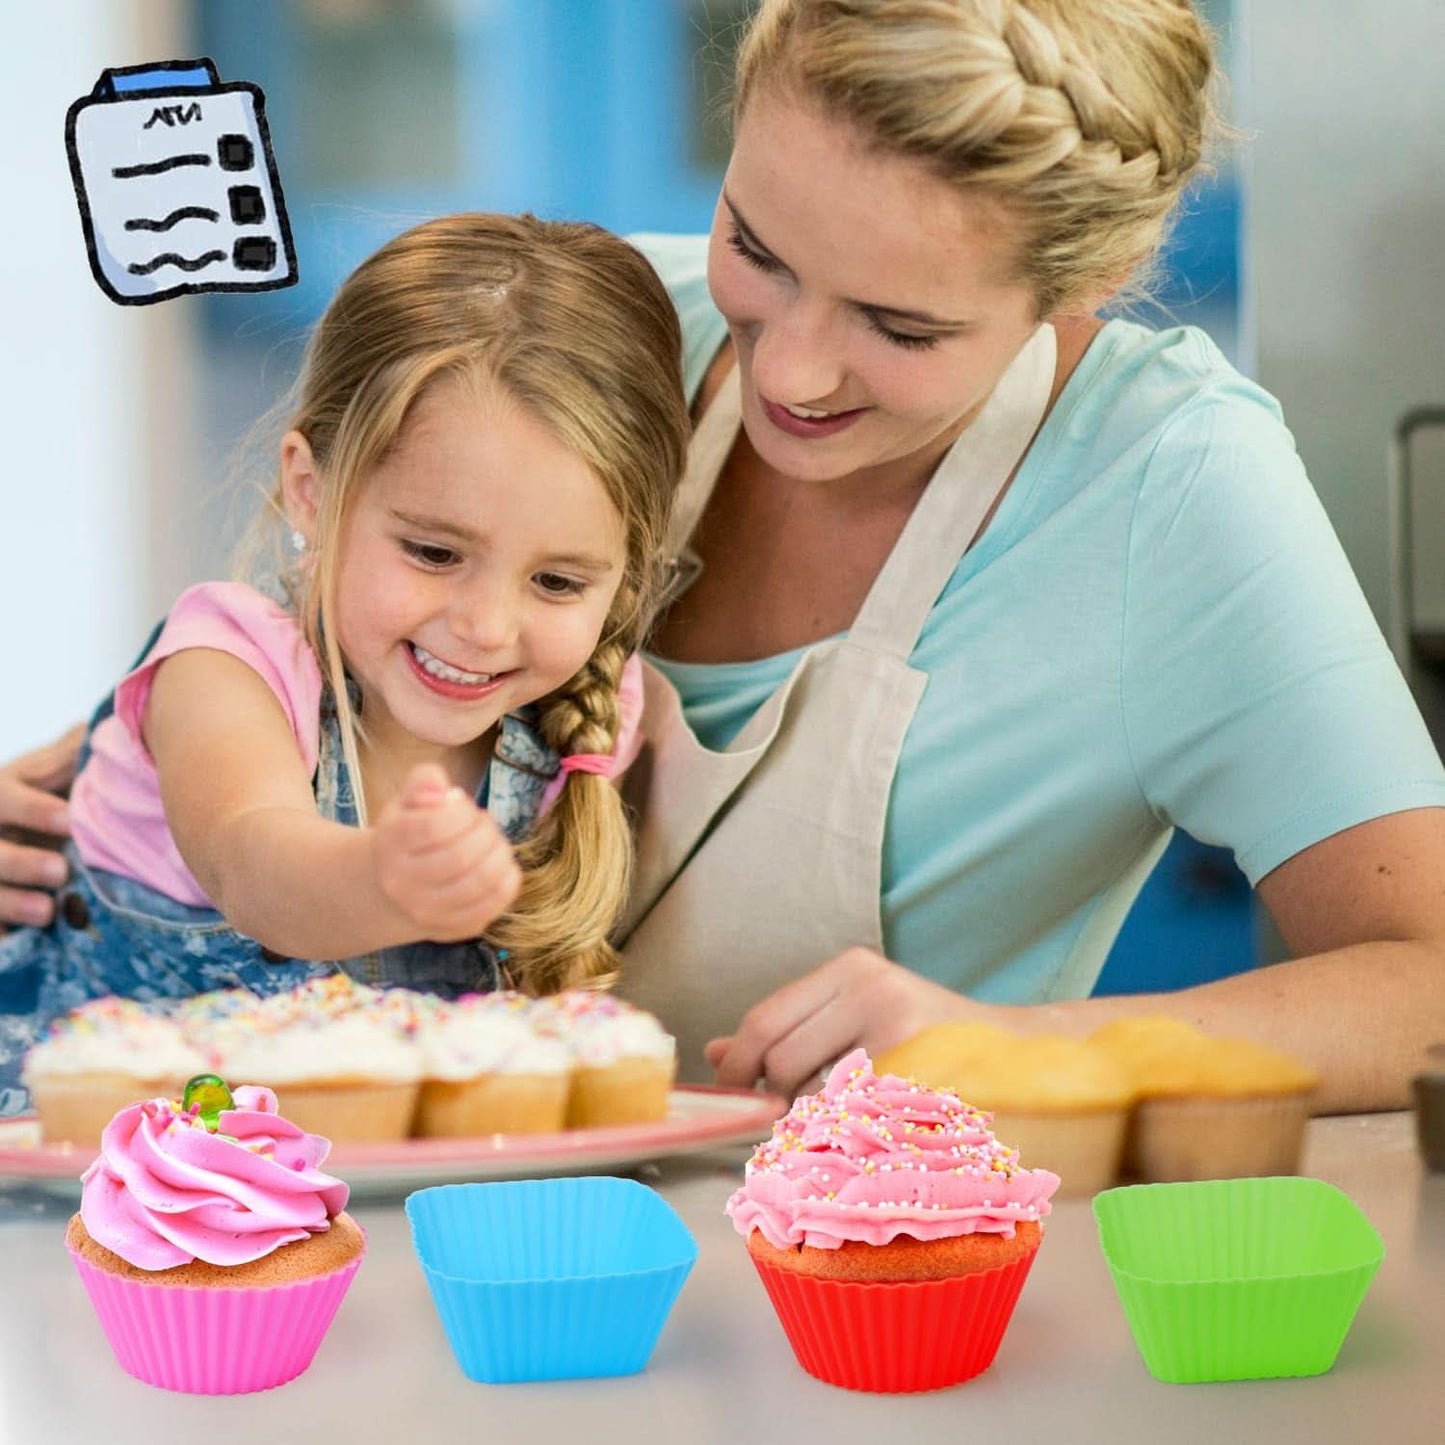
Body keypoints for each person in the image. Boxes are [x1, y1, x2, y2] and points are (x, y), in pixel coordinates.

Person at [6, 2, 1444, 1114]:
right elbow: (289, 673)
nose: (794, 369)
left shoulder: (1170, 486)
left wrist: (1010, 1049)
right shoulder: (620, 326)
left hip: (849, 1314)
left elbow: (1425, 985)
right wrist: (74, 808)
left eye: (901, 325)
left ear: (1082, 287)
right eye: (758, 243)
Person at [0, 213, 688, 1112]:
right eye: (434, 553)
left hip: (346, 1212)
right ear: (311, 490)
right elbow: (254, 862)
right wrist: (385, 883)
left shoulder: (585, 717)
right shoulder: (227, 666)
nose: (485, 626)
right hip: (77, 1200)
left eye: (557, 580)